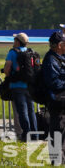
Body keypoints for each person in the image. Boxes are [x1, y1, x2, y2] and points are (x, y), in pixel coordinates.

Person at [3, 32, 37, 142]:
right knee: (31, 111)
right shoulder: (30, 52)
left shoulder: (12, 53)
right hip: (30, 86)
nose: (13, 42)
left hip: (17, 86)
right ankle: (35, 135)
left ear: (18, 41)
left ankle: (26, 135)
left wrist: (9, 75)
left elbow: (7, 69)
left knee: (22, 112)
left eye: (15, 40)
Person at [42, 31, 65, 165]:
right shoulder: (51, 60)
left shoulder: (61, 57)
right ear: (59, 45)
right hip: (56, 103)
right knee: (57, 133)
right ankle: (56, 161)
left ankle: (62, 160)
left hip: (63, 103)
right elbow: (53, 83)